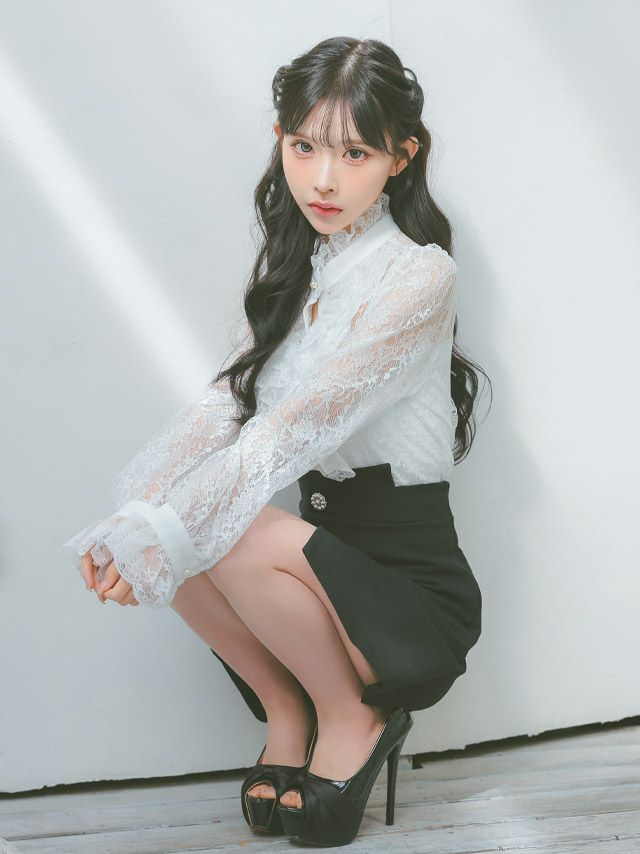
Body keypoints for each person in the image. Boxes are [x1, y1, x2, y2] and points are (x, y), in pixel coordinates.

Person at [62, 35, 492, 847]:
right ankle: (288, 710)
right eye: (304, 147)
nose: (323, 180)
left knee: (213, 526)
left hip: (404, 603)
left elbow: (294, 428)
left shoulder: (419, 276)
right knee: (171, 520)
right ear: (280, 140)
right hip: (318, 577)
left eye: (355, 154)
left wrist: (164, 526)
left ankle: (352, 718)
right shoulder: (293, 269)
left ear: (402, 158)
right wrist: (133, 518)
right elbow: (221, 406)